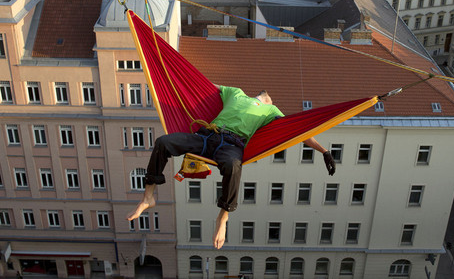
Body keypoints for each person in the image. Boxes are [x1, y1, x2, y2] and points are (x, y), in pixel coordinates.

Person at [128, 85, 336, 249]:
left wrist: (323, 151)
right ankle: (148, 196)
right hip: (206, 135)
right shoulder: (235, 93)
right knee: (163, 142)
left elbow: (297, 131)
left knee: (234, 166)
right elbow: (203, 85)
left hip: (231, 145)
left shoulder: (271, 110)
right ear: (267, 96)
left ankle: (223, 217)